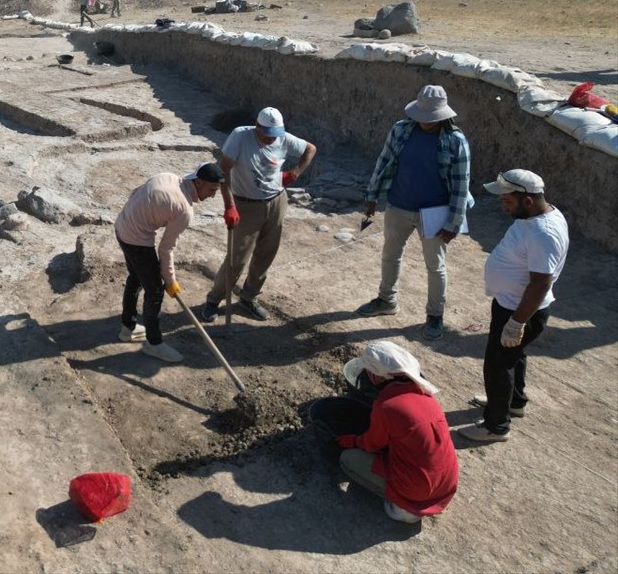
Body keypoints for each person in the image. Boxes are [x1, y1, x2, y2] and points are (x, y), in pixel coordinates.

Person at [356, 85, 473, 341]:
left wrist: (453, 223)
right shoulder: (401, 129)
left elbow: (461, 186)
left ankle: (434, 316)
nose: (426, 123)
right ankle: (387, 300)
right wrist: (372, 196)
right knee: (390, 255)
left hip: (434, 213)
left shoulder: (455, 141)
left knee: (435, 267)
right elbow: (383, 160)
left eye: (431, 118)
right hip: (398, 205)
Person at [461, 169, 569, 443]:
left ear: (528, 200)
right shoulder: (535, 217)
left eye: (507, 201)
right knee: (513, 356)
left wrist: (516, 323)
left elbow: (540, 283)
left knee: (497, 366)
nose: (503, 206)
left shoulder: (543, 233)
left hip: (519, 309)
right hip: (513, 305)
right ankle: (514, 402)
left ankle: (495, 427)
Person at [309, 341, 458, 525]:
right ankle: (418, 500)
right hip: (446, 483)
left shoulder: (388, 406)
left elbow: (371, 444)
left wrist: (353, 441)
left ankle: (404, 508)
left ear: (375, 375)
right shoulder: (426, 395)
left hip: (417, 489)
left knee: (348, 460)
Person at [200, 107, 317, 322]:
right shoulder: (240, 137)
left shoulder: (282, 137)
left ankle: (249, 297)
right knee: (237, 258)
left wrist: (295, 173)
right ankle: (213, 300)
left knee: (266, 253)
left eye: (276, 135)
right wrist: (229, 206)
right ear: (257, 125)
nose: (272, 139)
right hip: (246, 204)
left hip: (276, 202)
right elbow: (223, 172)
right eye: (267, 135)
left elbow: (310, 149)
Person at [115, 162, 235, 363]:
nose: (214, 195)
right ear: (198, 182)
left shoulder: (169, 176)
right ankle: (154, 344)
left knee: (136, 277)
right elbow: (166, 249)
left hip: (122, 224)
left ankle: (128, 328)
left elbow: (135, 192)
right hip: (136, 238)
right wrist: (170, 281)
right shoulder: (184, 209)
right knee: (155, 292)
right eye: (212, 189)